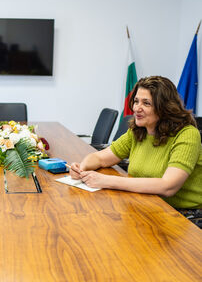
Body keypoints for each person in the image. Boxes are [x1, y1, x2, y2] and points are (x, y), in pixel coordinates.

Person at [70, 76, 201, 224]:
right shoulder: (138, 131)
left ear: (164, 108)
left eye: (146, 103)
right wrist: (82, 168)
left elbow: (168, 186)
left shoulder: (187, 134)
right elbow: (100, 158)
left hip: (183, 215)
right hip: (146, 203)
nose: (137, 108)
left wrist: (106, 180)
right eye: (136, 101)